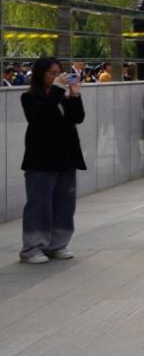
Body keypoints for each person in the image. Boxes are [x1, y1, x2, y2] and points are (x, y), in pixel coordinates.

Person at [18, 57, 84, 263]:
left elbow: (77, 118)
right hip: (41, 159)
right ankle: (32, 247)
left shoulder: (61, 98)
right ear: (40, 74)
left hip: (66, 157)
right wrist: (57, 90)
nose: (56, 77)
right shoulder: (29, 97)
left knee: (65, 203)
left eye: (59, 73)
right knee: (39, 203)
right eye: (51, 73)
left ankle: (58, 244)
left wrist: (74, 95)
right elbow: (41, 117)